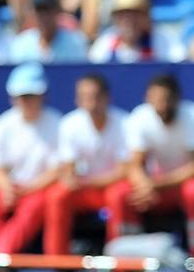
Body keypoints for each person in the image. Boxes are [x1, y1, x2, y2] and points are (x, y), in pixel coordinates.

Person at [111, 74, 194, 262]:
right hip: (158, 189)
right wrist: (143, 185)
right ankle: (125, 261)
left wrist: (154, 185)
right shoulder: (139, 117)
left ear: (177, 98)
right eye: (156, 100)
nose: (161, 105)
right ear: (147, 99)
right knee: (121, 193)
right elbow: (134, 163)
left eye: (166, 99)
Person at [0, 63, 62, 255]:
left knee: (33, 207)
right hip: (10, 189)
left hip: (40, 190)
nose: (27, 101)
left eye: (31, 96)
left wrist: (29, 189)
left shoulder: (57, 124)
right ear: (13, 98)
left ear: (43, 95)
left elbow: (58, 170)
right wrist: (7, 189)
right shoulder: (1, 127)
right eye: (22, 97)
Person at [42, 74, 130, 256]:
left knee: (119, 195)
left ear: (107, 97)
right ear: (77, 100)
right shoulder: (69, 124)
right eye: (84, 97)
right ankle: (57, 260)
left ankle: (119, 260)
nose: (91, 102)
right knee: (58, 196)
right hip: (84, 190)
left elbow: (125, 170)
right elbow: (68, 167)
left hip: (112, 187)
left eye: (95, 96)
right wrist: (73, 179)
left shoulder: (125, 123)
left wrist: (88, 182)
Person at [10, 0, 89, 64]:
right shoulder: (22, 44)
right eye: (39, 12)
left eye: (48, 11)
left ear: (57, 12)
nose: (44, 17)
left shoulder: (75, 43)